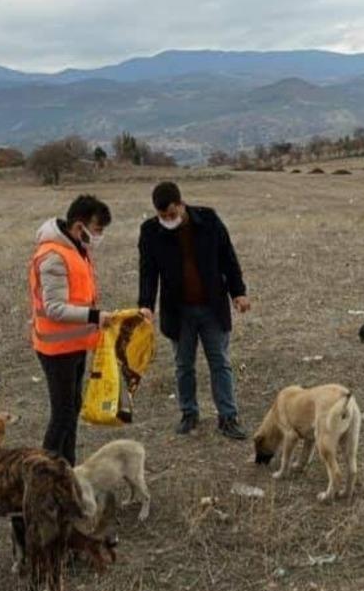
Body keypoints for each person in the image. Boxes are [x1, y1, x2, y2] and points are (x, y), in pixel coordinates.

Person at [138, 181, 250, 440]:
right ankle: (189, 413)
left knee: (220, 362)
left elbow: (228, 258)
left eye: (172, 214)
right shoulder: (151, 231)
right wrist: (145, 304)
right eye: (162, 216)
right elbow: (148, 272)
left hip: (212, 307)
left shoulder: (209, 220)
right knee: (183, 365)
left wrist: (238, 292)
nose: (168, 219)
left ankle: (228, 416)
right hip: (178, 312)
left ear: (181, 204)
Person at [29, 194, 117, 465]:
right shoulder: (53, 256)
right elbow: (54, 307)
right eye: (98, 229)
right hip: (57, 350)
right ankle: (43, 474)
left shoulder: (77, 249)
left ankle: (67, 468)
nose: (99, 236)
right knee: (62, 414)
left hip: (75, 345)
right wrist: (94, 316)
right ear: (80, 227)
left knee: (72, 409)